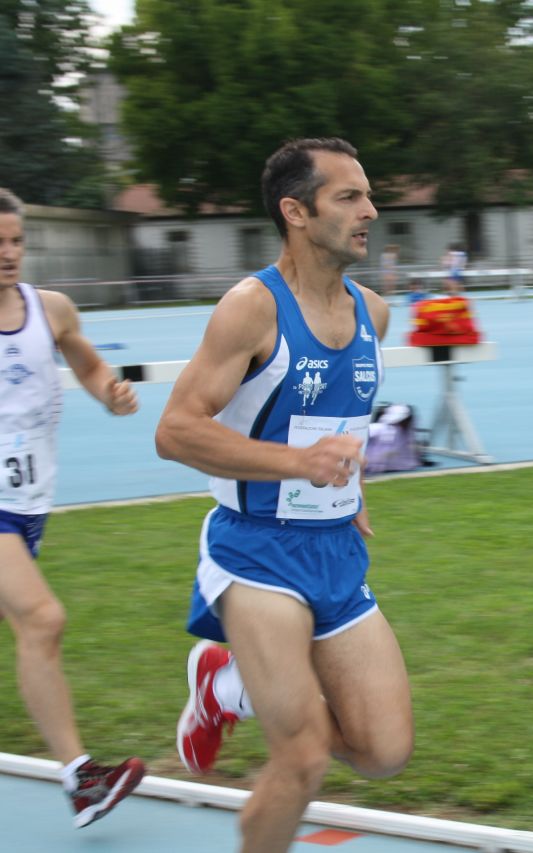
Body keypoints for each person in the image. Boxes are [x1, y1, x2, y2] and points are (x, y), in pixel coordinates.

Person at [154, 138, 413, 853]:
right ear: (295, 212)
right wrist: (298, 463)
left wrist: (349, 487)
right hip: (255, 551)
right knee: (300, 758)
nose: (371, 209)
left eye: (367, 193)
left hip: (335, 552)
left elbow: (339, 421)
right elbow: (174, 431)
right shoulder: (251, 309)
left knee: (384, 749)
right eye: (349, 197)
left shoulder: (375, 314)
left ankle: (226, 687)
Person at [0, 187, 146, 828]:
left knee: (31, 628)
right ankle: (80, 778)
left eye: (15, 242)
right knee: (42, 620)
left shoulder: (50, 309)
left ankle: (78, 779)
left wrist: (110, 395)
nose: (7, 255)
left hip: (29, 503)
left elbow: (88, 367)